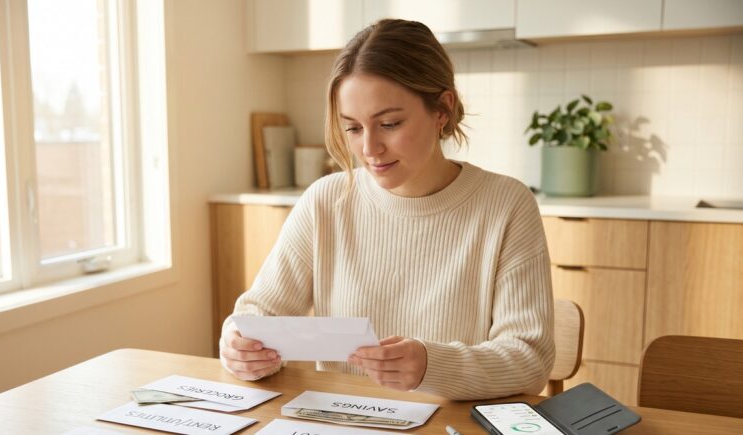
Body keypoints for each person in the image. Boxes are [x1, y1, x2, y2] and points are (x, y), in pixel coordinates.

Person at [219, 19, 555, 400]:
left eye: (390, 123)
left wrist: (432, 364)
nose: (370, 149)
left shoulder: (506, 205)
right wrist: (239, 346)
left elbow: (530, 360)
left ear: (442, 109)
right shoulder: (325, 201)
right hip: (341, 421)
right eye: (353, 129)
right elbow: (259, 312)